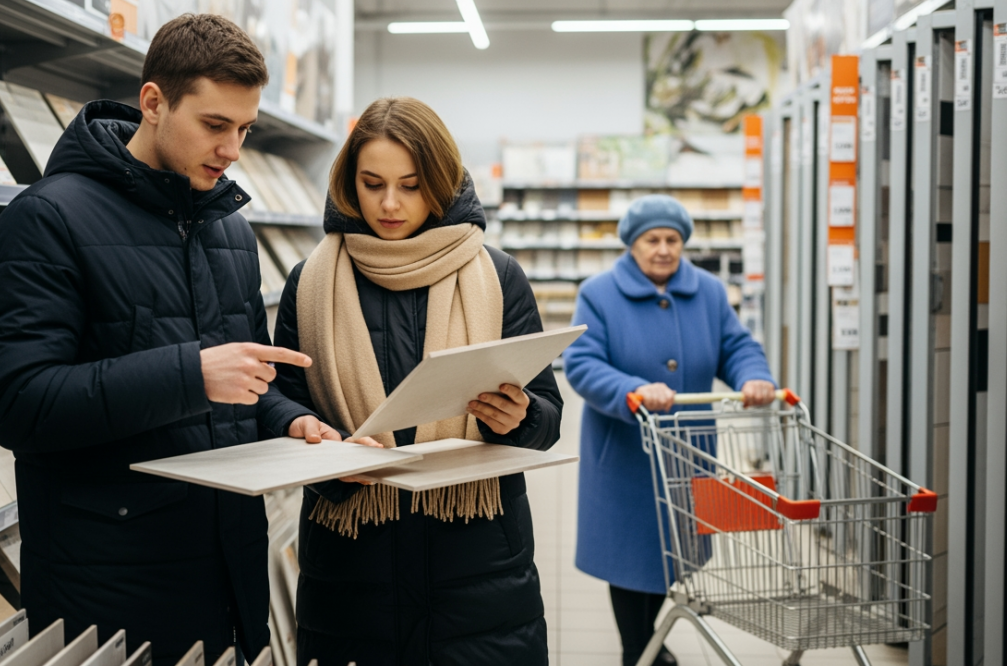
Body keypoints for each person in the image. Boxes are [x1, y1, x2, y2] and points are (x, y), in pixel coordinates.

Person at [0, 14, 340, 665]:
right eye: (215, 125)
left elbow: (247, 378)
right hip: (110, 581)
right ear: (153, 103)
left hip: (227, 563)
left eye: (245, 130)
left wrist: (293, 423)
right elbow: (14, 401)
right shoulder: (47, 218)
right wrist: (190, 375)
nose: (233, 150)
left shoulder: (229, 229)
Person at [270, 96, 564, 665]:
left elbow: (547, 416)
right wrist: (319, 445)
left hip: (478, 570)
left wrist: (521, 417)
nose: (389, 203)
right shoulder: (310, 283)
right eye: (371, 182)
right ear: (346, 182)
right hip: (352, 568)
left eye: (410, 184)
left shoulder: (498, 277)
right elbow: (282, 404)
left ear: (441, 181)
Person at [562, 194, 777, 666]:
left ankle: (646, 646)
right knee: (629, 556)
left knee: (670, 551)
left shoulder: (709, 292)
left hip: (686, 450)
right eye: (652, 240)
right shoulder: (598, 293)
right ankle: (638, 649)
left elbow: (736, 347)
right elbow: (582, 363)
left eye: (673, 240)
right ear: (632, 245)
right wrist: (634, 389)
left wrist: (753, 377)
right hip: (625, 452)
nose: (663, 249)